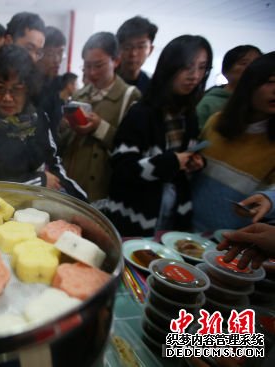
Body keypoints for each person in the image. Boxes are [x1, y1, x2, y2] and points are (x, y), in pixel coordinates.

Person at [104, 35, 213, 236]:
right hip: (134, 216)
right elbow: (123, 169)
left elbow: (181, 162)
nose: (194, 75)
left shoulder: (189, 115)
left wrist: (194, 162)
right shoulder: (142, 112)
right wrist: (171, 162)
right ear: (169, 67)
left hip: (173, 216)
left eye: (202, 67)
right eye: (187, 67)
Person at [0, 44, 87, 202]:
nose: (7, 98)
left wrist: (80, 198)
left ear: (28, 90)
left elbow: (53, 163)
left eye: (16, 89)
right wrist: (39, 181)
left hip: (40, 205)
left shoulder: (38, 118)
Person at [191, 51, 275, 232]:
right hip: (184, 229)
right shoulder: (216, 121)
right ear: (250, 83)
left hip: (229, 240)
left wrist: (269, 198)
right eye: (270, 82)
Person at [61, 32, 141, 202]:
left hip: (103, 192)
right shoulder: (78, 95)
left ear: (116, 61)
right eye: (87, 66)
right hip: (71, 185)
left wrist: (99, 127)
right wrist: (66, 126)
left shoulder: (130, 97)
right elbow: (64, 145)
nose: (92, 73)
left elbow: (134, 150)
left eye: (98, 66)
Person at [196, 45, 262, 130]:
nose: (251, 67)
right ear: (225, 71)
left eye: (256, 62)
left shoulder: (262, 102)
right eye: (244, 63)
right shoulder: (209, 103)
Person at [36, 26, 67, 146]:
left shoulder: (61, 85)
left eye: (60, 53)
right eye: (50, 54)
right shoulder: (25, 85)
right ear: (38, 54)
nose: (57, 60)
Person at [116, 15, 157, 94]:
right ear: (118, 49)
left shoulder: (152, 87)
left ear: (150, 50)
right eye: (127, 47)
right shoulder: (105, 80)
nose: (133, 53)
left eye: (141, 47)